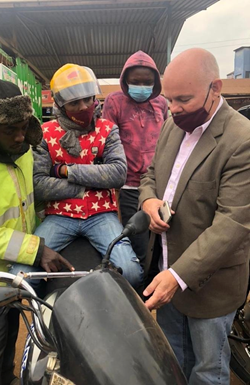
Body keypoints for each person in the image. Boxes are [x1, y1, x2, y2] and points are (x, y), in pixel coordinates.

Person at [138, 48, 250, 385]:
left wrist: (178, 276)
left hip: (208, 283)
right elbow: (150, 175)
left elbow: (233, 225)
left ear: (215, 88)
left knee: (207, 370)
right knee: (174, 358)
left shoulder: (241, 140)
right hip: (165, 269)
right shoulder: (173, 126)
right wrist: (148, 202)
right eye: (169, 99)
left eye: (183, 99)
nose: (174, 109)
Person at [0, 79, 73, 385]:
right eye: (10, 130)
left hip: (20, 263)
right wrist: (36, 250)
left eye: (24, 126)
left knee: (14, 324)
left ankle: (7, 377)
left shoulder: (22, 149)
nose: (20, 136)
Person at [27, 63, 143, 289]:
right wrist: (87, 186)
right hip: (59, 216)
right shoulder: (45, 133)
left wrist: (64, 170)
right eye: (74, 103)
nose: (84, 106)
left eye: (88, 99)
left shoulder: (108, 129)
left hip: (101, 215)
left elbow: (118, 173)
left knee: (131, 272)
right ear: (61, 104)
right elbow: (39, 184)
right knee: (21, 274)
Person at [102, 50, 168, 271]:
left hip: (157, 185)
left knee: (159, 240)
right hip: (127, 186)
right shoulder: (114, 102)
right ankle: (139, 291)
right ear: (125, 81)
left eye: (147, 82)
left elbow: (167, 139)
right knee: (136, 242)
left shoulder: (162, 104)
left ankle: (153, 283)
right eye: (135, 81)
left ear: (156, 82)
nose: (142, 86)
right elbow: (107, 140)